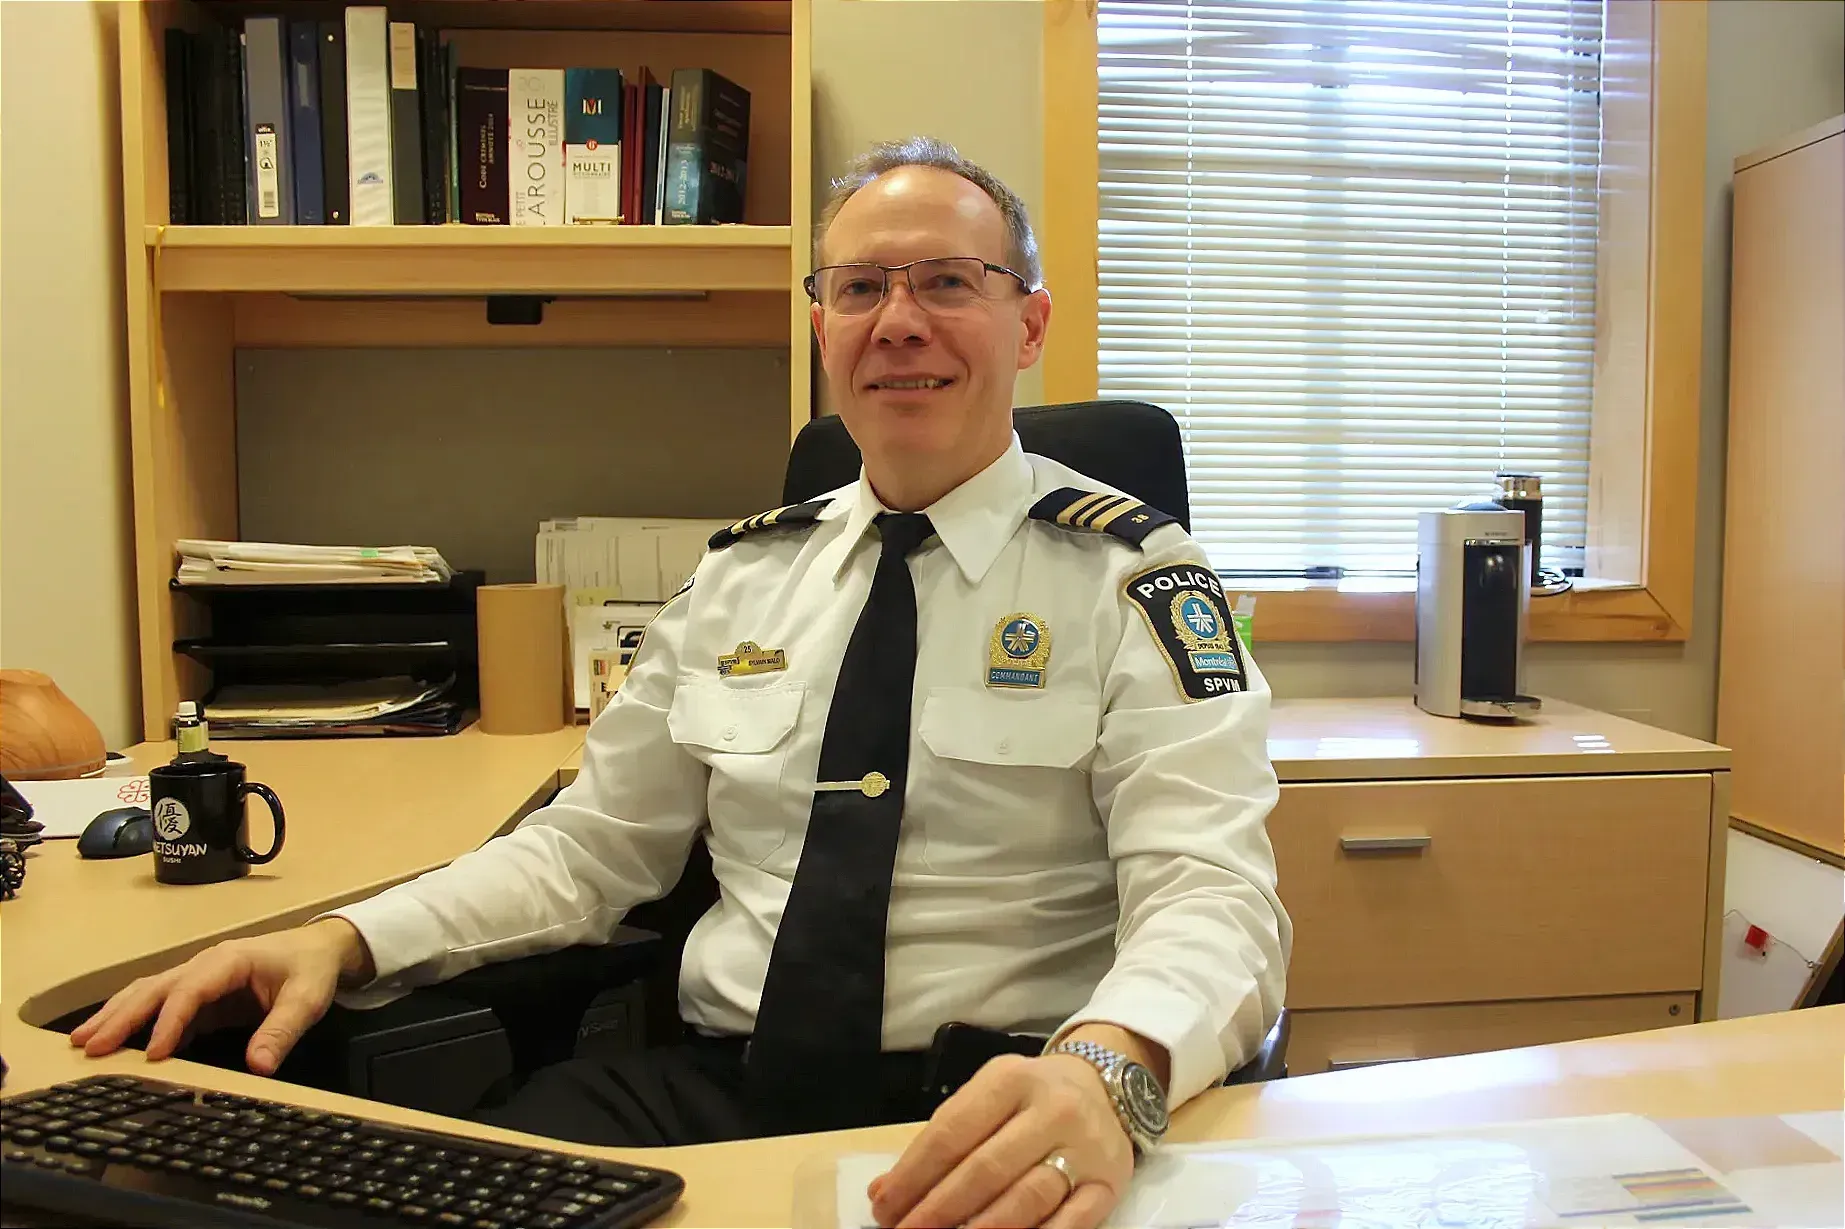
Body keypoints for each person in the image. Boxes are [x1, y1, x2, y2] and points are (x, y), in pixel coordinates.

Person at [72, 136, 1290, 1229]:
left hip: (1000, 1101)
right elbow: (591, 851)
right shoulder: (739, 577)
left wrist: (1106, 1070)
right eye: (860, 286)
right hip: (722, 1087)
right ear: (820, 323)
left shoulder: (1136, 580)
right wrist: (347, 933)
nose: (897, 319)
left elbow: (1214, 897)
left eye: (946, 282)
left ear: (1026, 325)